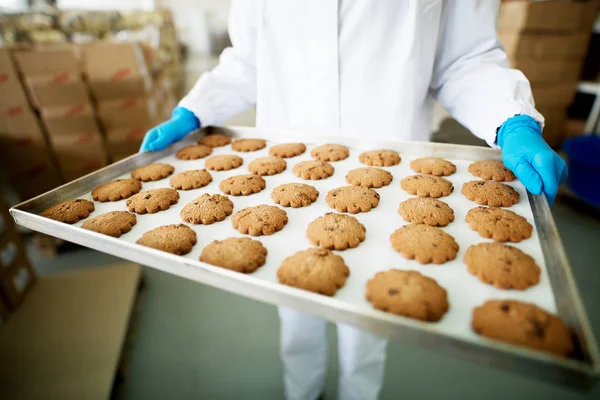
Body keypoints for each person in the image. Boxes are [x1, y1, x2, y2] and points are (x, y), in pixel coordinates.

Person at [141, 1, 568, 399]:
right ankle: (301, 389)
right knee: (294, 300)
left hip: (394, 174)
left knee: (369, 318)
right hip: (285, 173)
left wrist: (510, 118)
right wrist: (195, 109)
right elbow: (249, 60)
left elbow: (465, 57)